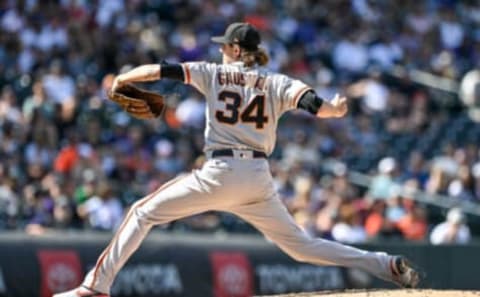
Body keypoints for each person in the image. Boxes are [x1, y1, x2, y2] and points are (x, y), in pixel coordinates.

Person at [54, 22, 420, 297]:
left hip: (221, 171)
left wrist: (121, 78)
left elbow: (159, 71)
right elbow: (314, 105)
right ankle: (384, 265)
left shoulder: (212, 72)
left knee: (141, 212)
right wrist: (334, 110)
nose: (219, 51)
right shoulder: (277, 81)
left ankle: (94, 288)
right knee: (302, 247)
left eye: (223, 46)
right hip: (258, 177)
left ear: (232, 48)